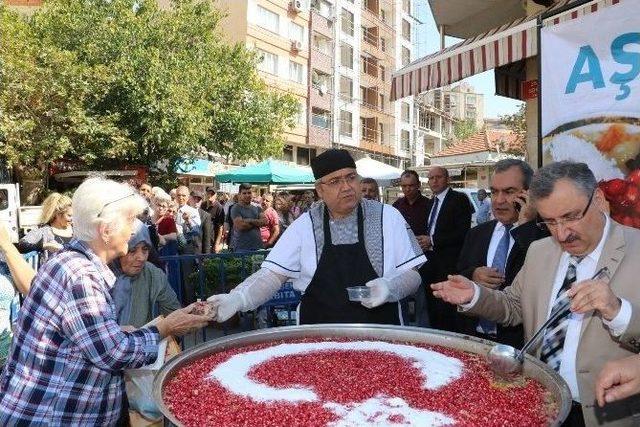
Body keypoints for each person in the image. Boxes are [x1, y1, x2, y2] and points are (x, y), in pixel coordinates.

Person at [432, 161, 640, 426]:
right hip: (543, 404)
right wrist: (475, 295)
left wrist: (619, 311)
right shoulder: (540, 250)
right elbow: (515, 306)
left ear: (598, 200)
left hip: (611, 414)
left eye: (571, 216)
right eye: (550, 222)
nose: (562, 234)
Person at [0, 177, 210, 425]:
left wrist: (115, 331)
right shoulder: (81, 275)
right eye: (130, 220)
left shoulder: (67, 262)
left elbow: (72, 336)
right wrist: (166, 327)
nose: (134, 230)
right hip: (52, 417)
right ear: (106, 229)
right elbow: (114, 353)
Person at [208, 149, 425, 325]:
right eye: (335, 181)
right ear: (320, 190)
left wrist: (389, 288)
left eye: (351, 177)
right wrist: (238, 298)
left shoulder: (388, 217)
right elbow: (272, 276)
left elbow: (413, 275)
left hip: (381, 334)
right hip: (318, 338)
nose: (347, 186)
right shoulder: (304, 226)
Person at [456, 159, 549, 348]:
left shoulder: (546, 235)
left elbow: (541, 279)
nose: (498, 201)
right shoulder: (477, 233)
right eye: (494, 191)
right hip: (474, 339)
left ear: (528, 194)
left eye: (508, 192)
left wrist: (526, 226)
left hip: (518, 346)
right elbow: (458, 273)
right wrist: (473, 274)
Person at [422, 166, 473, 332]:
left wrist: (433, 240)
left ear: (448, 179)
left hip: (450, 263)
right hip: (430, 262)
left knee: (447, 309)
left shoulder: (459, 199)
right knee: (432, 305)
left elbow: (463, 232)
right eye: (431, 178)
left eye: (438, 177)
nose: (434, 181)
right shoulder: (431, 202)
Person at [111, 220, 182, 328]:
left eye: (145, 249)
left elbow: (173, 313)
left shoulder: (152, 274)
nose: (141, 258)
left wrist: (190, 316)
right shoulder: (95, 276)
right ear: (116, 249)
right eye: (132, 250)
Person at [392, 170, 431, 327]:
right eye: (404, 186)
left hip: (424, 260)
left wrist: (428, 239)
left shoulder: (429, 205)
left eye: (411, 186)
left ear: (419, 185)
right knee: (403, 300)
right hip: (402, 262)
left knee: (421, 302)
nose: (407, 189)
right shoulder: (396, 206)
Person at [17, 192, 73, 263]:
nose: (72, 218)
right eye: (69, 215)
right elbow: (21, 246)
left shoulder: (76, 229)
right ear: (58, 215)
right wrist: (46, 245)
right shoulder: (44, 230)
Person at [230, 183, 266, 252]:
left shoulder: (257, 207)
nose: (247, 195)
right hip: (242, 248)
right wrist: (258, 223)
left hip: (258, 246)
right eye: (244, 193)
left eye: (249, 193)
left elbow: (265, 221)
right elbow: (241, 226)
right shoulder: (236, 208)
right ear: (239, 194)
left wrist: (249, 220)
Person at [189, 190, 212, 255]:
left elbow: (206, 238)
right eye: (194, 198)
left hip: (197, 252)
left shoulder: (205, 215)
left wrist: (206, 257)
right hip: (183, 251)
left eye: (198, 199)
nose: (196, 201)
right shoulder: (182, 211)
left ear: (201, 201)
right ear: (189, 199)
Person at [203, 187, 225, 253]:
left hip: (212, 240)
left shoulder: (219, 208)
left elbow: (220, 228)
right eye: (208, 193)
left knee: (209, 261)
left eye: (212, 194)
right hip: (202, 239)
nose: (210, 195)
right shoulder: (202, 205)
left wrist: (216, 244)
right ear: (206, 194)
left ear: (215, 195)